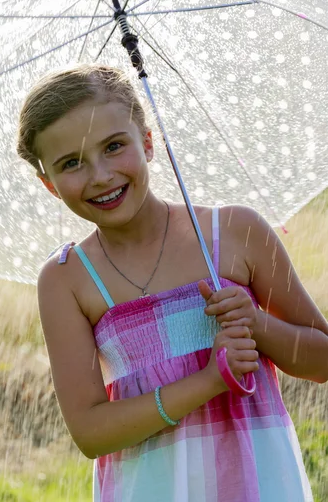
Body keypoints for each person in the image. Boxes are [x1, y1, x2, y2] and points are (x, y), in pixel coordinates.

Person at [16, 64, 328, 502]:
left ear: (147, 140)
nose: (101, 175)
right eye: (72, 163)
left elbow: (322, 361)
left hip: (257, 484)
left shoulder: (236, 233)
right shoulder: (67, 279)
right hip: (150, 488)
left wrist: (257, 326)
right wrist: (209, 380)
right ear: (49, 183)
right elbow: (90, 432)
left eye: (114, 146)